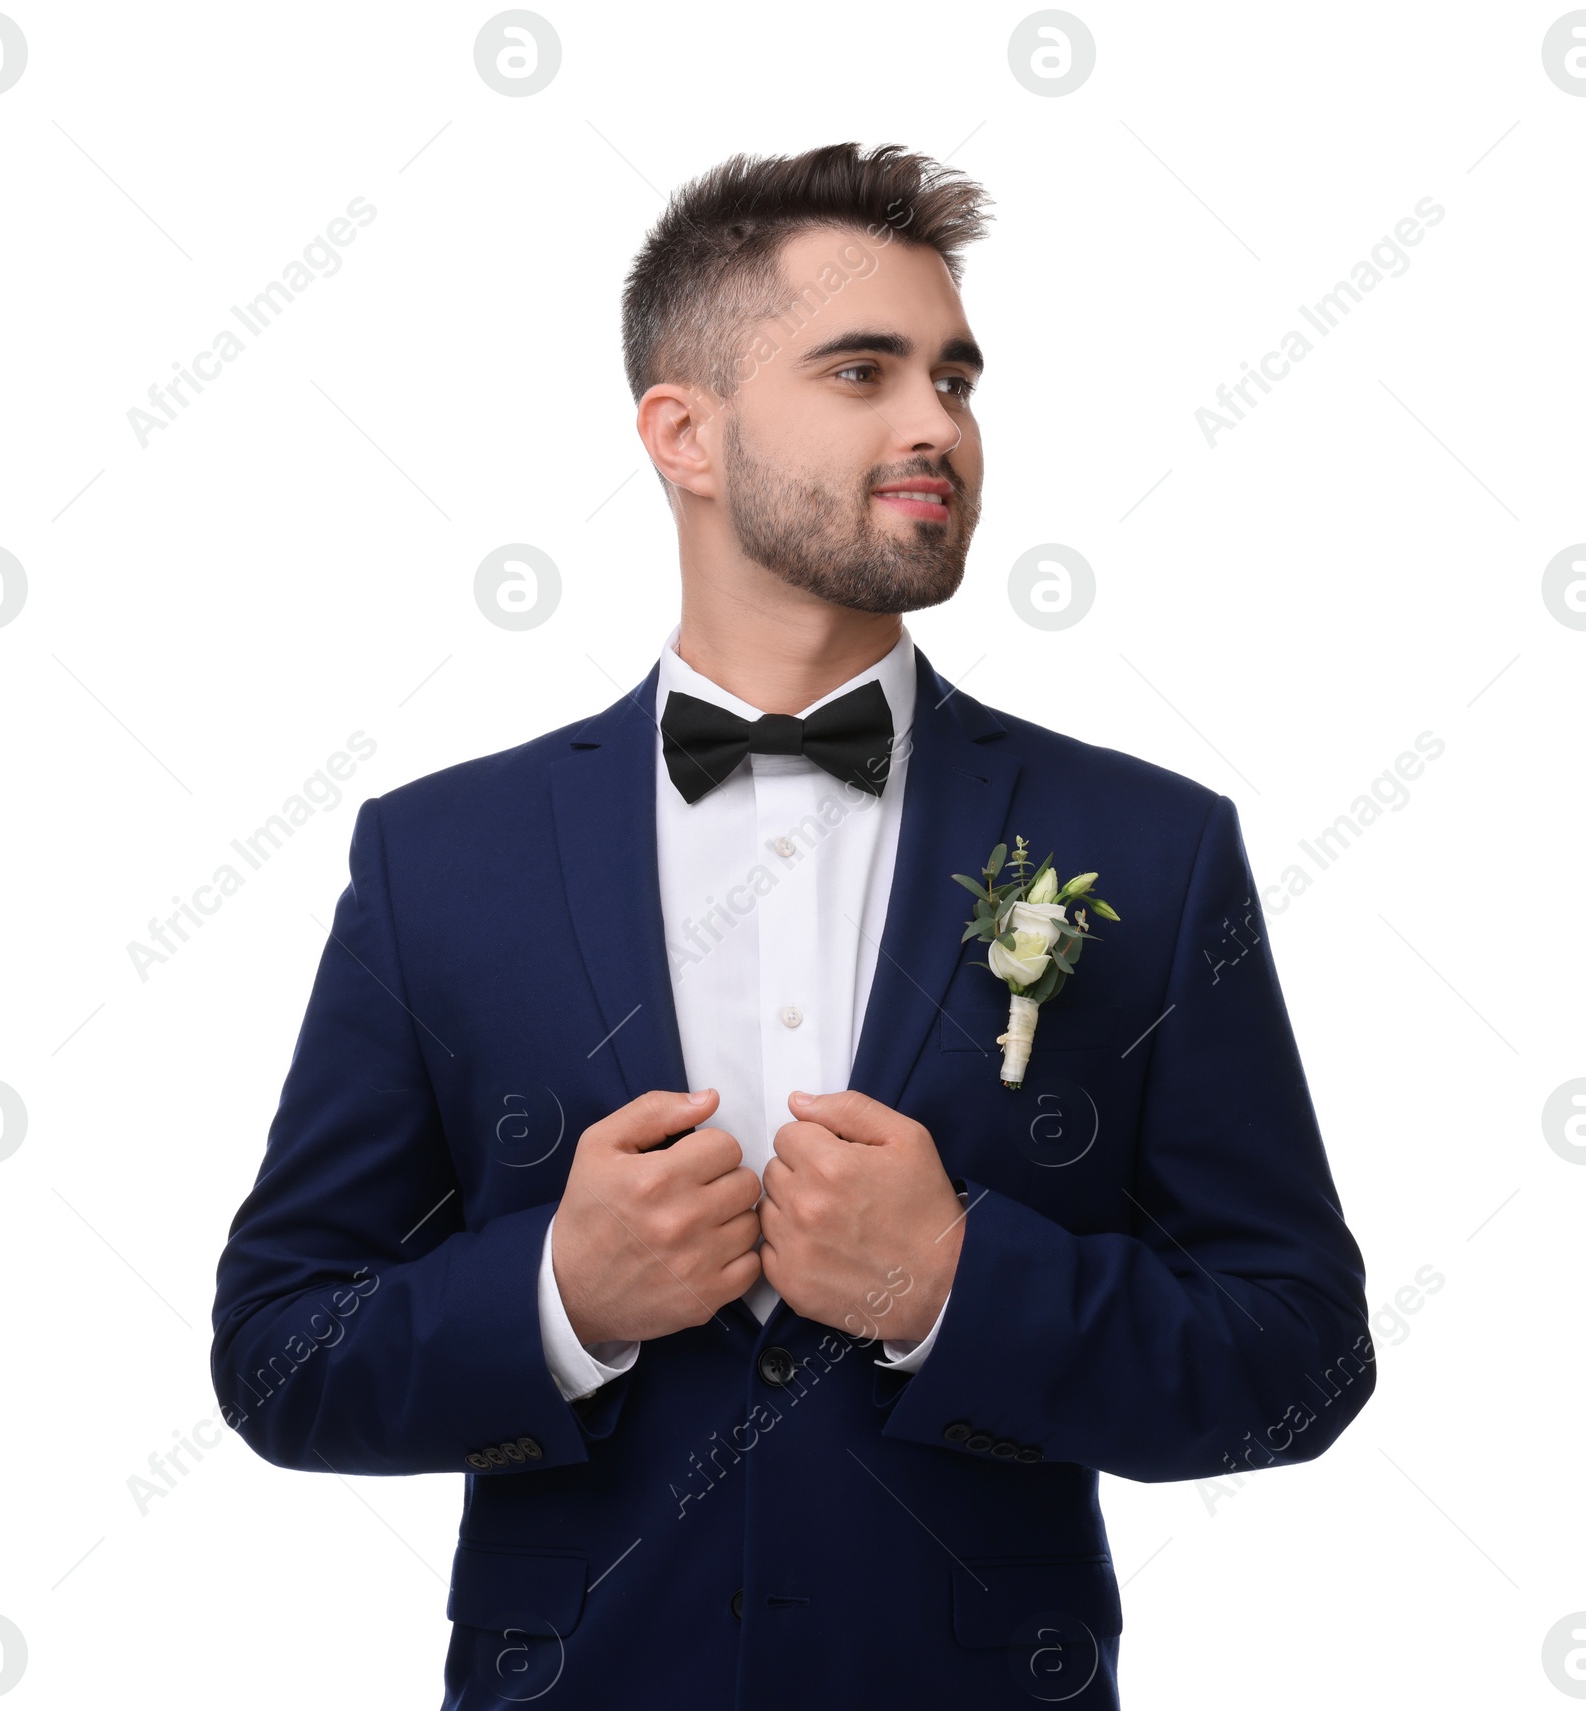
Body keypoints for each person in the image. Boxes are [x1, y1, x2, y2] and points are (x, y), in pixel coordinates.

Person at [210, 141, 1374, 1709]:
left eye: (955, 380)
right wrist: (557, 1297)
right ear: (683, 432)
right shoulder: (439, 856)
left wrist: (960, 1287)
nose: (934, 426)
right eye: (861, 371)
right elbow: (280, 1356)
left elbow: (1297, 1358)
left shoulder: (1147, 845)